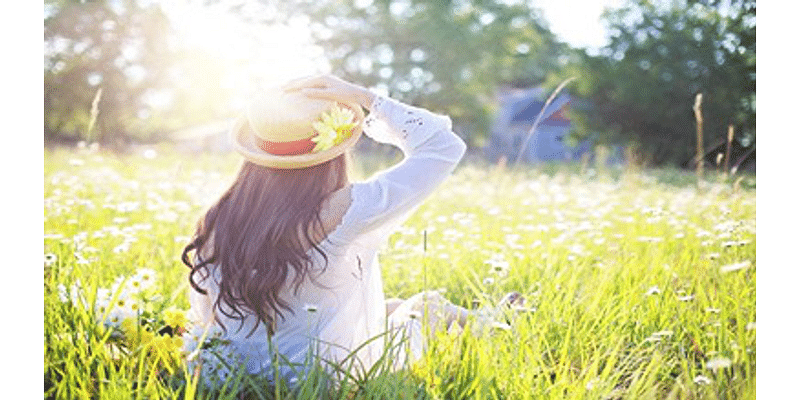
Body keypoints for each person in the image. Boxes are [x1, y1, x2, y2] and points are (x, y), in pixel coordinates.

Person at [180, 75, 506, 386]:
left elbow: (206, 316)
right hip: (327, 379)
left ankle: (492, 317)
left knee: (387, 306)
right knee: (425, 306)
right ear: (332, 153)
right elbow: (443, 145)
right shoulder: (343, 209)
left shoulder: (219, 215)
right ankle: (499, 325)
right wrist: (365, 97)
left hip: (235, 373)